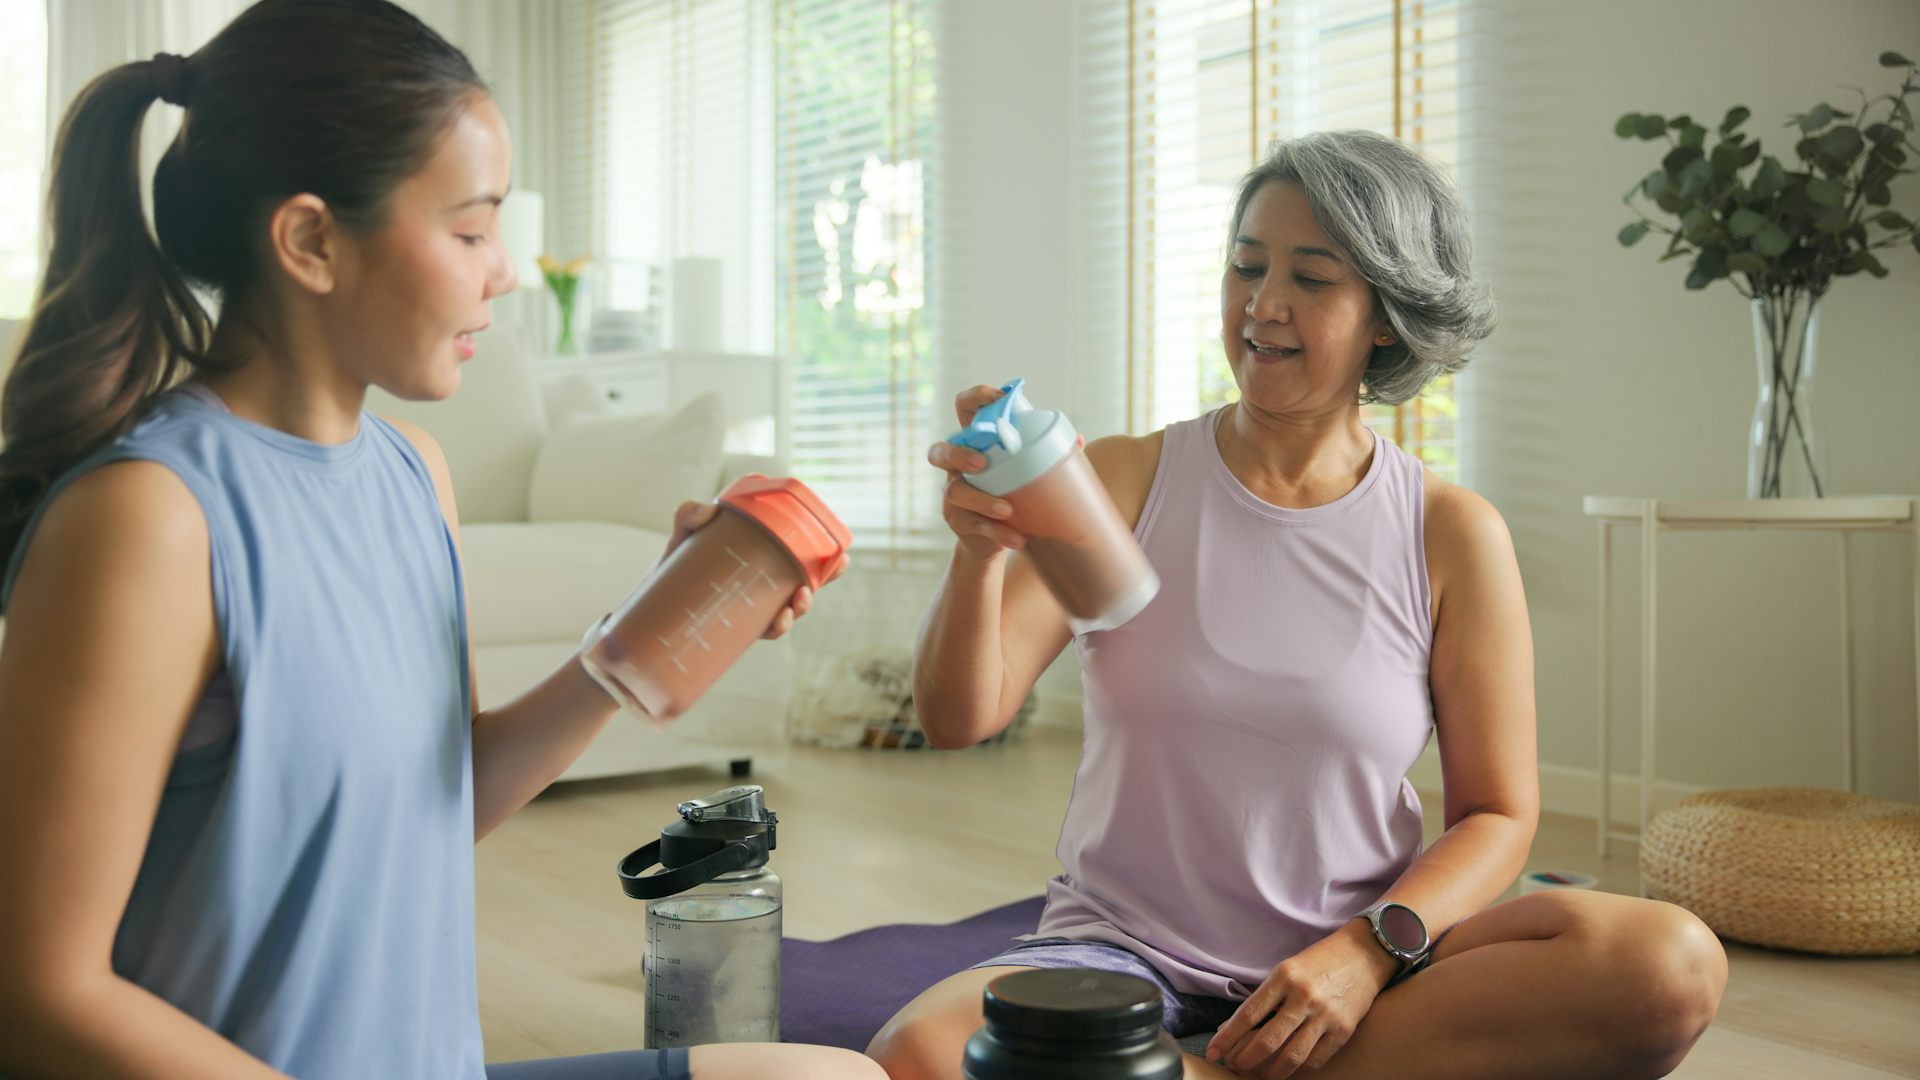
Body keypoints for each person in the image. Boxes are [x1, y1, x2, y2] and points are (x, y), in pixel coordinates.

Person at [0, 3, 873, 1078]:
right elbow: (38, 990)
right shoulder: (148, 516)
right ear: (311, 240)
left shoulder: (416, 474)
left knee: (829, 1074)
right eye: (469, 230)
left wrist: (650, 634)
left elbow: (435, 802)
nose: (503, 271)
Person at [869, 129, 1728, 1080]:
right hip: (1123, 958)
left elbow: (1497, 815)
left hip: (1365, 965)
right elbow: (960, 718)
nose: (1262, 304)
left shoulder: (1450, 532)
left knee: (1667, 963)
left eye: (1312, 279)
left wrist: (1363, 953)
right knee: (923, 1051)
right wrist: (978, 555)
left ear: (1388, 317)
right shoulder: (1118, 481)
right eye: (1247, 265)